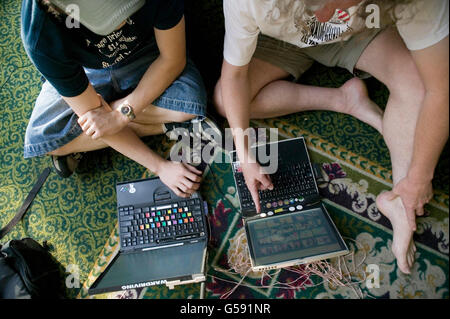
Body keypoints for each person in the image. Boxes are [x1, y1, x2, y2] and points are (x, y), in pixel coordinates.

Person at [214, 0, 447, 274]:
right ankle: (344, 100)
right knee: (223, 100)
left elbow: (439, 89)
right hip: (282, 35)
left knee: (415, 84)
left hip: (360, 29)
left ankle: (396, 203)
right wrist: (244, 155)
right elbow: (235, 77)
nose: (323, 15)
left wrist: (416, 179)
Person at [21, 0, 219, 198]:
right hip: (85, 71)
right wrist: (160, 167)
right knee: (43, 139)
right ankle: (167, 125)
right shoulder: (40, 34)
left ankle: (92, 137)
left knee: (189, 104)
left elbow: (172, 59)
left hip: (145, 52)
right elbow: (91, 115)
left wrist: (120, 115)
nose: (122, 23)